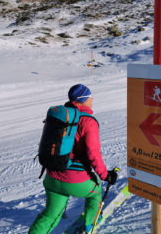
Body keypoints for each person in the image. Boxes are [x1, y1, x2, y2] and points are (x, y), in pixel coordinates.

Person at [29, 84, 118, 234]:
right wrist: (105, 175)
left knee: (50, 215)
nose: (92, 99)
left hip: (52, 176)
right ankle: (90, 225)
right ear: (83, 99)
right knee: (95, 192)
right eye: (90, 97)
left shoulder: (63, 117)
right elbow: (93, 154)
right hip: (75, 181)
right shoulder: (88, 121)